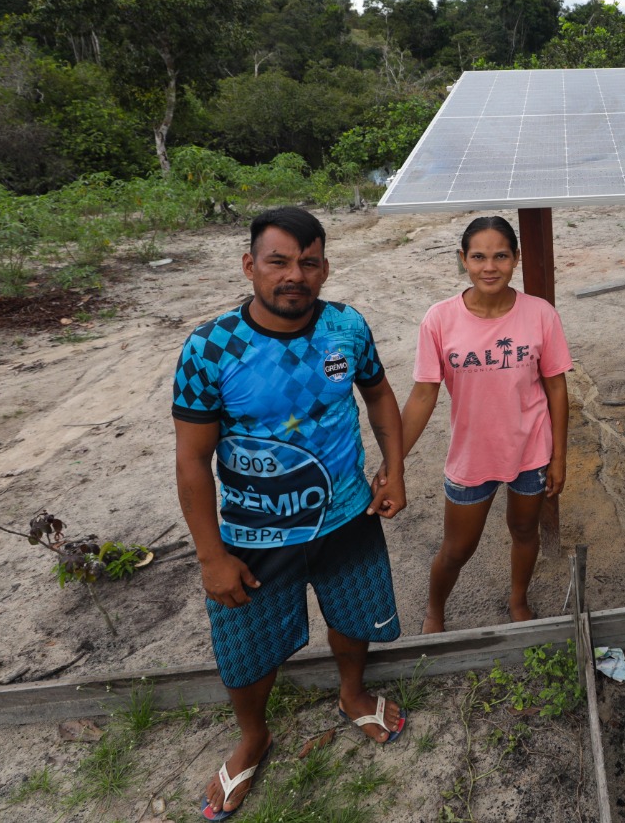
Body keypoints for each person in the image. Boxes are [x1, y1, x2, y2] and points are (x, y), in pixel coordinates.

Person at [173, 207, 409, 821]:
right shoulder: (210, 348)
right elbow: (194, 461)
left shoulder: (346, 327)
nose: (294, 275)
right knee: (246, 649)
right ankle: (254, 736)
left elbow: (378, 394)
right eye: (278, 261)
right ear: (250, 265)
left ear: (324, 267)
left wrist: (396, 467)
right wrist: (210, 555)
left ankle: (352, 694)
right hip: (254, 534)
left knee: (353, 618)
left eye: (308, 262)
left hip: (347, 516)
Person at [402, 215, 572, 634]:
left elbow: (556, 389)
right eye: (478, 257)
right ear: (463, 260)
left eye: (500, 256)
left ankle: (518, 598)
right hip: (472, 454)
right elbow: (424, 394)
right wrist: (394, 460)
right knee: (457, 548)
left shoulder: (540, 314)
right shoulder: (439, 320)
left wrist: (559, 456)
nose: (489, 267)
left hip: (530, 450)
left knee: (523, 530)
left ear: (515, 259)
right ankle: (434, 610)